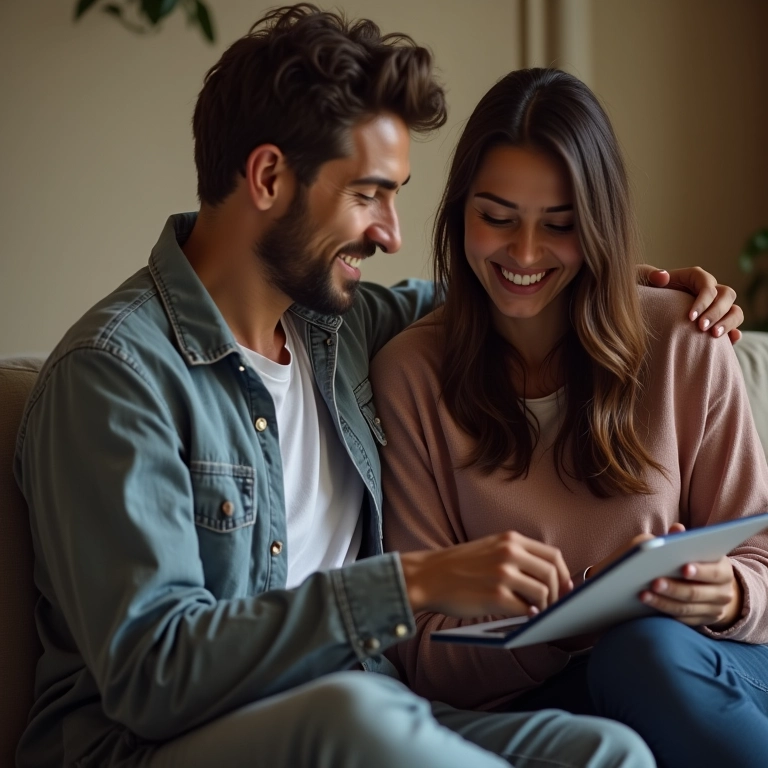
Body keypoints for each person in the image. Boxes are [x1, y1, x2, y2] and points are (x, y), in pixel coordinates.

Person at [14, 7, 740, 767]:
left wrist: (636, 287)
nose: (391, 233)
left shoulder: (342, 329)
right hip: (159, 743)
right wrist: (412, 585)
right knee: (354, 717)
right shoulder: (115, 376)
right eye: (368, 194)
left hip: (371, 705)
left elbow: (507, 286)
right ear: (267, 177)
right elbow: (152, 674)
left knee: (603, 751)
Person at [371, 67, 768, 768]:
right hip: (545, 704)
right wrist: (557, 625)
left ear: (599, 227)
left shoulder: (684, 337)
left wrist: (730, 593)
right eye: (496, 218)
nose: (524, 255)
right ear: (459, 211)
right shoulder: (411, 375)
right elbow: (424, 648)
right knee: (625, 654)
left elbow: (760, 553)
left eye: (560, 226)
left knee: (643, 649)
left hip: (702, 668)